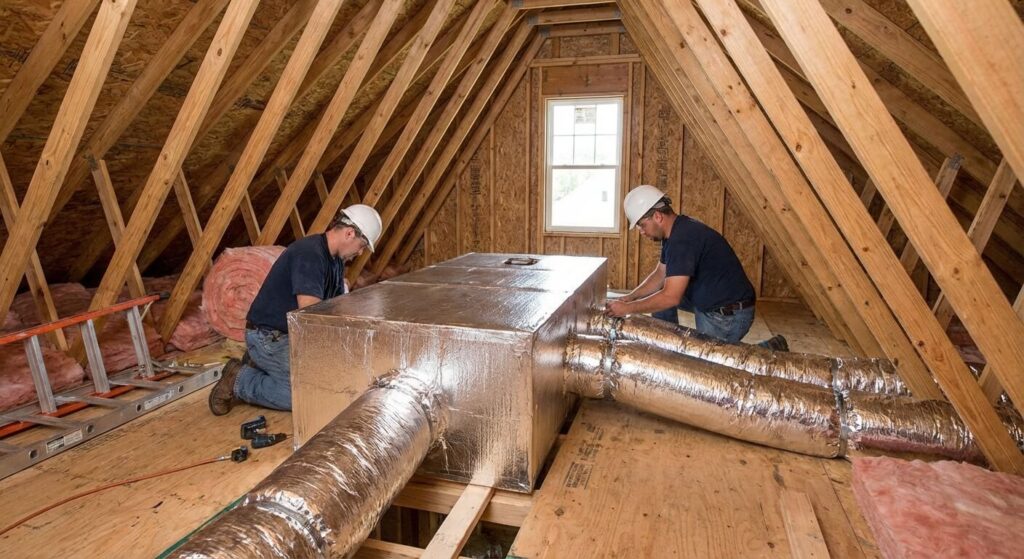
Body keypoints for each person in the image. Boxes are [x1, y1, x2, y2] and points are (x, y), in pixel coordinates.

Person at [208, 204, 383, 415]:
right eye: (362, 245)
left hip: (291, 335)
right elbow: (310, 315)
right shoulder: (310, 254)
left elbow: (337, 305)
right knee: (309, 395)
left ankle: (260, 366)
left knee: (336, 378)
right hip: (270, 337)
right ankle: (239, 380)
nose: (361, 252)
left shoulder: (335, 260)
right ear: (349, 233)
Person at [605, 185, 787, 350]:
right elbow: (659, 275)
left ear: (658, 216)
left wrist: (627, 309)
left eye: (642, 225)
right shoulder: (675, 232)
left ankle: (769, 349)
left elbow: (671, 297)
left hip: (727, 316)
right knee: (660, 294)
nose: (642, 232)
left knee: (700, 367)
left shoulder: (682, 240)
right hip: (712, 300)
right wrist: (630, 297)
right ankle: (667, 344)